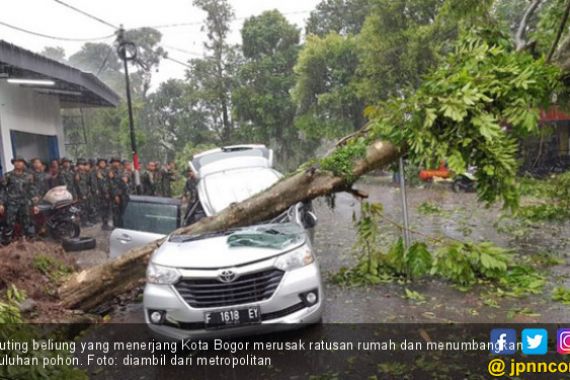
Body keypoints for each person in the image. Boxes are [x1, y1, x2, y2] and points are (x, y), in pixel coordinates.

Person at [0, 157, 38, 244]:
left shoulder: (28, 176)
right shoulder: (8, 175)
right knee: (9, 223)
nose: (18, 163)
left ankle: (25, 241)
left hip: (24, 203)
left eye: (20, 162)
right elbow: (2, 190)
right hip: (12, 203)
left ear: (23, 164)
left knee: (26, 222)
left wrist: (35, 204)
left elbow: (31, 190)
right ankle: (6, 242)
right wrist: (1, 203)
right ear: (13, 163)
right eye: (16, 162)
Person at [109, 157, 129, 228]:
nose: (116, 163)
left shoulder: (122, 170)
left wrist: (115, 176)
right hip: (114, 194)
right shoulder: (109, 171)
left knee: (124, 211)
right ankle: (116, 226)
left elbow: (125, 180)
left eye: (117, 162)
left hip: (123, 194)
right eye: (114, 162)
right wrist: (115, 195)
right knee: (115, 212)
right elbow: (111, 185)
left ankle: (122, 225)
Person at [95, 158, 112, 231]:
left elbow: (109, 181)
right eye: (101, 163)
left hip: (108, 191)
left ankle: (107, 223)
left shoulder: (107, 171)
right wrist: (105, 192)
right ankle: (104, 224)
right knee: (104, 208)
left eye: (104, 162)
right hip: (102, 193)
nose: (103, 164)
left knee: (108, 208)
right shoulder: (97, 171)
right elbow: (101, 183)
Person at [74, 158, 92, 227]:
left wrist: (88, 192)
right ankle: (84, 222)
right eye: (80, 165)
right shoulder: (77, 174)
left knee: (86, 207)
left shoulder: (85, 173)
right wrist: (82, 195)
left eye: (83, 165)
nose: (82, 166)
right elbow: (78, 186)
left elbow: (88, 183)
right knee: (82, 208)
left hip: (86, 192)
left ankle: (86, 221)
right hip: (81, 194)